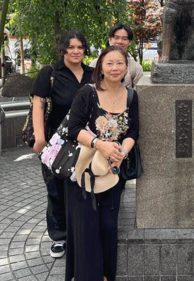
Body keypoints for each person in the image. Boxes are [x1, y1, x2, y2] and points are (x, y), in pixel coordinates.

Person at [66, 46, 139, 281]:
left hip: (112, 171)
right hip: (85, 170)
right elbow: (73, 128)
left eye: (119, 63)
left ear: (126, 67)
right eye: (109, 63)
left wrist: (122, 152)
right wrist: (101, 144)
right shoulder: (88, 93)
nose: (115, 68)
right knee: (87, 227)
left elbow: (134, 130)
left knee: (109, 225)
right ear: (100, 67)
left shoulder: (131, 96)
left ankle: (107, 275)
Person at [31, 30, 94, 259]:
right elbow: (38, 105)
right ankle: (59, 236)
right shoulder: (50, 73)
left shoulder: (93, 73)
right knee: (56, 190)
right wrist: (40, 138)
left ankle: (81, 232)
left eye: (80, 47)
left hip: (87, 142)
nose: (76, 51)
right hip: (56, 143)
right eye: (71, 47)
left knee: (83, 187)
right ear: (63, 49)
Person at [89, 24, 144, 89]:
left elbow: (138, 94)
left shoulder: (135, 68)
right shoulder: (95, 64)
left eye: (124, 38)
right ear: (110, 39)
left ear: (129, 42)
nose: (120, 41)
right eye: (116, 38)